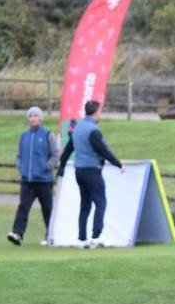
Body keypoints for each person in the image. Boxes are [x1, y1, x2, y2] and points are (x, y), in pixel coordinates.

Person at [57, 99, 124, 248]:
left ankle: (82, 239)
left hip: (79, 171)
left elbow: (68, 150)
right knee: (101, 202)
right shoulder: (93, 130)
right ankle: (96, 237)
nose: (101, 113)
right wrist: (118, 164)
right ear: (95, 112)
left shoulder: (78, 128)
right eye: (100, 111)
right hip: (92, 170)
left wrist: (61, 166)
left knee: (85, 205)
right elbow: (103, 151)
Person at [8, 106, 60, 246]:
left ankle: (51, 236)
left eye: (35, 116)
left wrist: (46, 167)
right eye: (31, 116)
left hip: (44, 180)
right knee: (23, 207)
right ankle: (17, 234)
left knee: (47, 209)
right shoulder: (24, 136)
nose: (33, 118)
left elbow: (56, 155)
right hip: (27, 180)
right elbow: (19, 156)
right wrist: (21, 167)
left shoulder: (48, 134)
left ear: (40, 118)